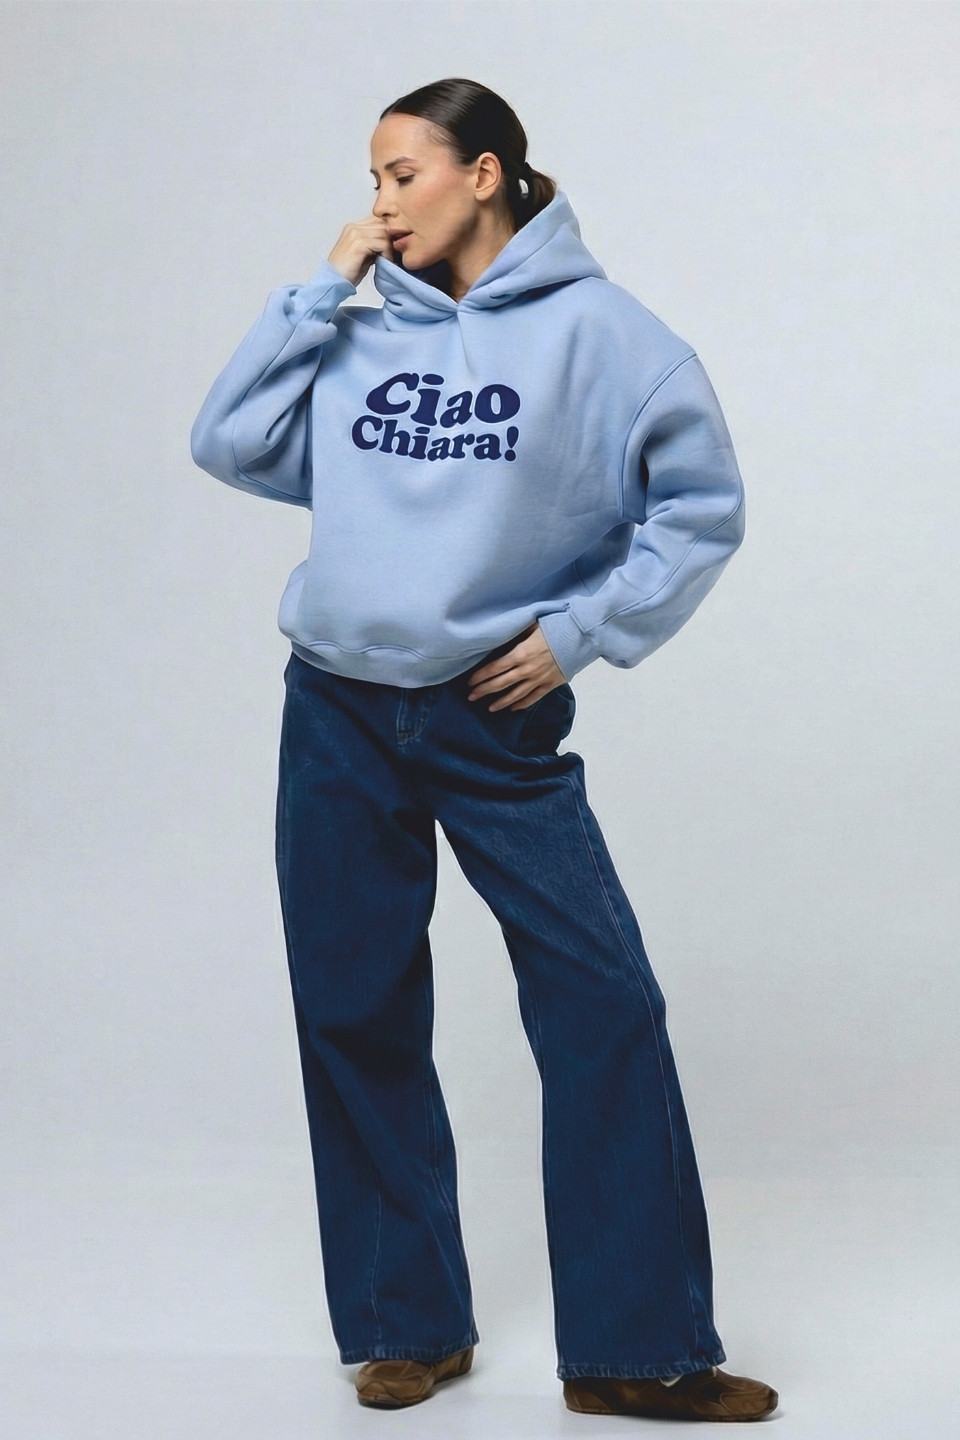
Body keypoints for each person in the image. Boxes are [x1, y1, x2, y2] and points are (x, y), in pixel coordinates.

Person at [190, 77, 778, 1423]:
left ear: (487, 174)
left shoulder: (608, 339)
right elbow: (230, 441)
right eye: (373, 179)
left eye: (403, 175)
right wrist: (320, 290)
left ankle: (636, 1350)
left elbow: (698, 506)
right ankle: (407, 1324)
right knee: (354, 1007)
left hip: (489, 715)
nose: (380, 203)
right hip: (335, 709)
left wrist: (581, 634)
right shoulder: (356, 332)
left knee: (605, 1001)